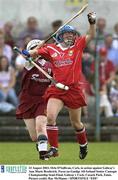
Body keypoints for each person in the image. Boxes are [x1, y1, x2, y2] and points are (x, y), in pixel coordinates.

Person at [26, 12, 96, 160]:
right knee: (50, 117)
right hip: (57, 89)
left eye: (72, 34)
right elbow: (35, 52)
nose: (70, 36)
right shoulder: (51, 49)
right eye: (67, 34)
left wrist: (92, 23)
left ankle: (83, 145)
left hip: (74, 89)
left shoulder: (78, 46)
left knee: (76, 123)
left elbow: (91, 35)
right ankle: (54, 149)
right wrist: (28, 52)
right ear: (60, 36)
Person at [16, 39, 53, 160]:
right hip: (26, 101)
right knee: (34, 137)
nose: (38, 51)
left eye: (39, 48)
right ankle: (41, 144)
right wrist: (32, 51)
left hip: (42, 100)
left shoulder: (50, 65)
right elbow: (27, 54)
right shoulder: (29, 62)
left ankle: (43, 154)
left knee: (41, 126)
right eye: (35, 48)